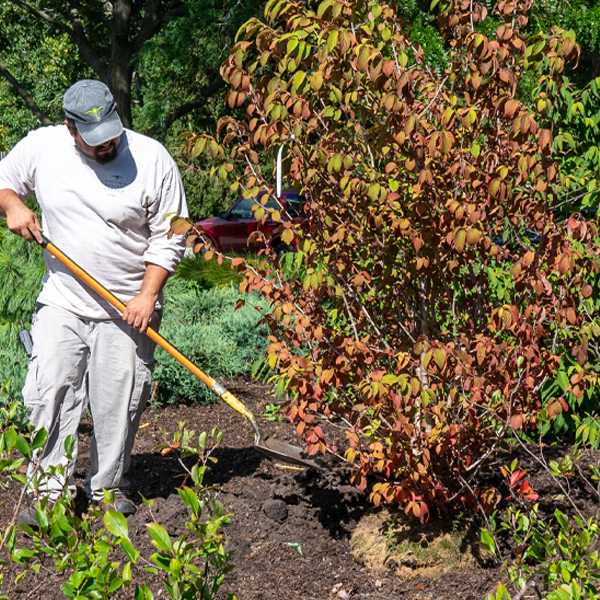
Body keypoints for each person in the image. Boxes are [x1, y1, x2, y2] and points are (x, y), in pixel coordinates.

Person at [0, 80, 188, 523]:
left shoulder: (153, 157)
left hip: (128, 307)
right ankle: (49, 493)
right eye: (96, 139)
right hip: (63, 299)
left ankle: (107, 488)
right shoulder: (42, 147)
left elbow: (173, 234)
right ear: (70, 128)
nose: (109, 145)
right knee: (50, 390)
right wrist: (12, 206)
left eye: (113, 134)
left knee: (118, 402)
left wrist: (148, 295)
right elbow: (4, 182)